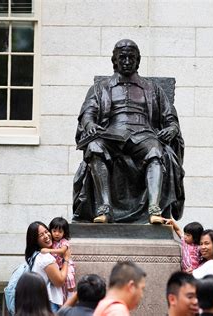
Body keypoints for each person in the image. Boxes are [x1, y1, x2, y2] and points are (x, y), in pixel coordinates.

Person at [73, 38, 185, 225]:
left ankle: (154, 209)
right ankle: (104, 209)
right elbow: (88, 113)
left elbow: (169, 117)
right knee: (94, 146)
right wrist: (90, 124)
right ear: (115, 61)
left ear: (137, 61)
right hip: (111, 134)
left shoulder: (152, 89)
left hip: (143, 134)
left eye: (131, 58)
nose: (126, 61)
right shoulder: (100, 88)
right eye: (122, 57)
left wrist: (172, 129)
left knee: (155, 150)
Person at [25, 221, 71, 312]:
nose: (46, 236)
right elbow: (60, 281)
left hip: (39, 302)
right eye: (40, 235)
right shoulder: (45, 258)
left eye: (46, 231)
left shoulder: (34, 255)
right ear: (34, 240)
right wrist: (66, 259)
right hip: (49, 304)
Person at [41, 217, 76, 298]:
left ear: (64, 232)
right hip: (58, 266)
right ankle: (64, 299)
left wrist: (47, 250)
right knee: (61, 285)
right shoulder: (51, 242)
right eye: (54, 231)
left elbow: (62, 251)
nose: (57, 234)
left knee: (69, 277)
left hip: (67, 265)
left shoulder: (64, 241)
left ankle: (71, 295)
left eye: (60, 232)